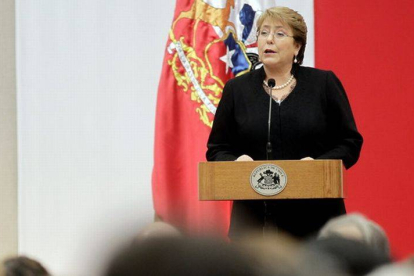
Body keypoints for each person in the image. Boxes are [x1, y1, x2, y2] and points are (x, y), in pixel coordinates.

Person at [206, 7, 363, 240]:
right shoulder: (237, 90)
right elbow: (217, 149)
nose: (269, 39)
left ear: (297, 46)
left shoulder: (323, 84)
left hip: (316, 218)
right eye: (263, 32)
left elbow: (350, 142)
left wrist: (319, 165)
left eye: (279, 33)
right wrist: (237, 161)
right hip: (254, 221)